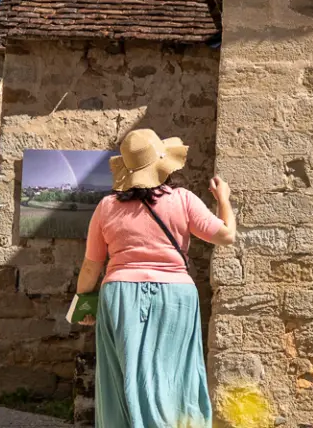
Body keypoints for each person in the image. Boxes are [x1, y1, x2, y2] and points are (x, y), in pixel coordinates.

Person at [75, 129, 237, 428]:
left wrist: (83, 301)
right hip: (175, 295)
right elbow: (227, 235)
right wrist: (223, 199)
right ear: (163, 164)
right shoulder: (183, 200)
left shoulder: (107, 207)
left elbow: (91, 267)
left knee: (122, 375)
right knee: (176, 373)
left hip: (121, 294)